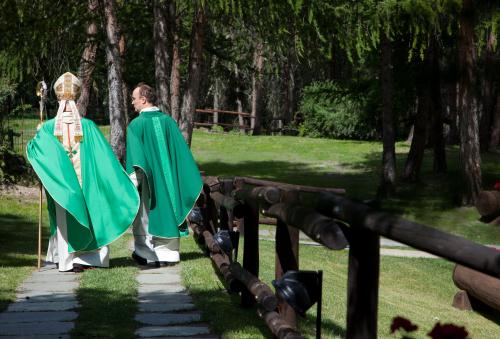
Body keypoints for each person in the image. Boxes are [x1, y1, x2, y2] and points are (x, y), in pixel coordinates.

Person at [26, 72, 139, 272]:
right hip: (87, 184)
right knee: (93, 213)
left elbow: (35, 152)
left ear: (59, 97)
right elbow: (105, 158)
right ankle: (90, 259)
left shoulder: (48, 128)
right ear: (76, 98)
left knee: (64, 218)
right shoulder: (88, 126)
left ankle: (65, 259)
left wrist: (38, 136)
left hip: (62, 186)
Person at [127, 83, 202, 266]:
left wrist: (131, 182)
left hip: (148, 182)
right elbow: (181, 155)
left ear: (143, 100)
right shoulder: (168, 121)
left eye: (134, 99)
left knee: (146, 214)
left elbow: (137, 159)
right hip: (169, 185)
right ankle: (169, 255)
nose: (132, 103)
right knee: (169, 207)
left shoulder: (136, 125)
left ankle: (145, 253)